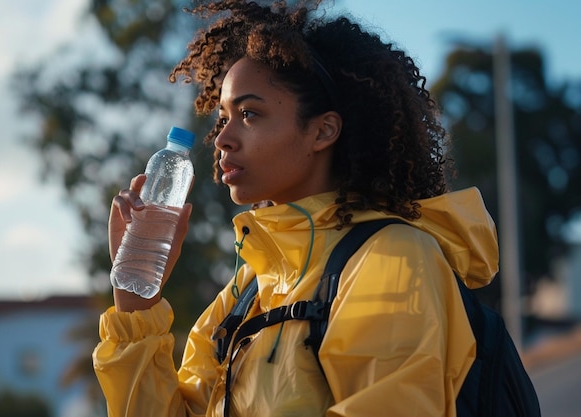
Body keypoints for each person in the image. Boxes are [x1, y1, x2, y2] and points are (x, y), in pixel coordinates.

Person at [93, 0, 499, 416]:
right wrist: (135, 305)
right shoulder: (248, 288)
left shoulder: (394, 258)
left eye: (249, 113)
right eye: (224, 116)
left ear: (323, 130)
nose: (222, 139)